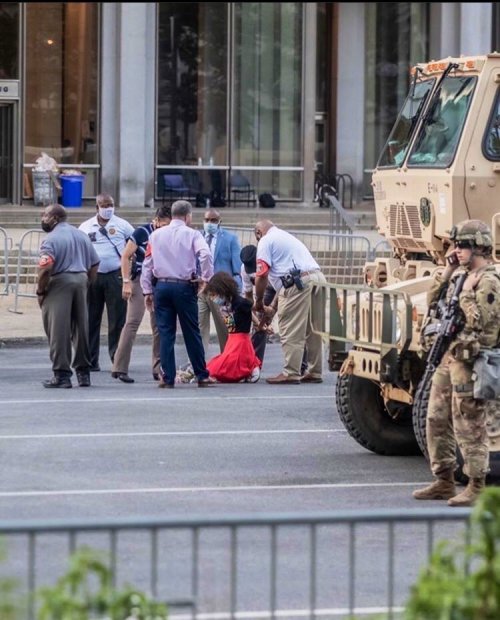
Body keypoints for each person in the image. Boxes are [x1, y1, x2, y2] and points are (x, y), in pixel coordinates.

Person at [413, 220, 500, 507]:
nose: (456, 250)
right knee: (436, 417)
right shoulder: (461, 275)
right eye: (455, 245)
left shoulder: (488, 280)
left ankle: (476, 484)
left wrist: (465, 296)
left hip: (471, 360)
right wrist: (449, 270)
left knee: (469, 423)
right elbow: (433, 300)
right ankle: (444, 479)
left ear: (478, 246)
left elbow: (484, 323)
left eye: (461, 246)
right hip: (451, 356)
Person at [140, 200, 217, 388]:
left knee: (166, 333)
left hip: (162, 286)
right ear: (188, 216)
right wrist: (206, 278)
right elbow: (205, 255)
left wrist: (147, 290)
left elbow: (147, 264)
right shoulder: (192, 234)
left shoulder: (155, 235)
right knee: (192, 331)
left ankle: (167, 377)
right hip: (184, 286)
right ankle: (201, 374)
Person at [253, 220, 326, 384]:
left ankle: (290, 372)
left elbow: (262, 274)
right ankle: (314, 371)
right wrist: (273, 306)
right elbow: (285, 277)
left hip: (298, 283)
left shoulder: (265, 241)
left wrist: (258, 301)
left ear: (258, 232)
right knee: (313, 329)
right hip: (317, 278)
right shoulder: (286, 237)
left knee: (290, 328)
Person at [36, 204, 100, 388]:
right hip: (81, 280)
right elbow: (95, 263)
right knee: (81, 328)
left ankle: (62, 375)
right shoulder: (81, 235)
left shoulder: (50, 239)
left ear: (55, 218)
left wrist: (41, 291)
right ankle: (83, 373)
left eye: (46, 215)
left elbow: (45, 268)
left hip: (59, 282)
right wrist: (87, 282)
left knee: (59, 330)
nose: (43, 218)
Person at [111, 205, 172, 383]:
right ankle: (120, 367)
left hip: (159, 281)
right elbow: (125, 256)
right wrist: (126, 281)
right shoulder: (142, 232)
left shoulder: (169, 234)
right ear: (156, 221)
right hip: (139, 280)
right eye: (163, 225)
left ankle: (158, 367)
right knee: (132, 322)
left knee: (159, 326)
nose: (165, 229)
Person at [78, 193, 134, 372]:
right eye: (105, 205)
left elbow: (135, 245)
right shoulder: (85, 227)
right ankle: (90, 360)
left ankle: (116, 360)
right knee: (90, 319)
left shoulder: (123, 225)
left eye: (111, 204)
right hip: (93, 276)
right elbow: (80, 250)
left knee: (117, 320)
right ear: (97, 207)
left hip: (115, 275)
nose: (108, 208)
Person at [198, 208, 242, 357]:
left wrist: (236, 292)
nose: (209, 223)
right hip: (201, 289)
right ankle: (199, 364)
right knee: (199, 327)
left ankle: (228, 359)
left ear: (219, 222)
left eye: (213, 220)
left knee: (225, 328)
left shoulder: (230, 239)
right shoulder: (197, 237)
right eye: (207, 220)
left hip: (221, 292)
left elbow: (237, 268)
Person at [204, 272, 262, 383]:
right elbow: (231, 326)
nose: (213, 298)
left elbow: (252, 310)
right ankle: (249, 369)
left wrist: (260, 323)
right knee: (219, 363)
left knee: (223, 365)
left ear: (222, 290)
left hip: (240, 338)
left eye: (214, 294)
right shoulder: (224, 306)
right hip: (233, 338)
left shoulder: (240, 302)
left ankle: (250, 368)